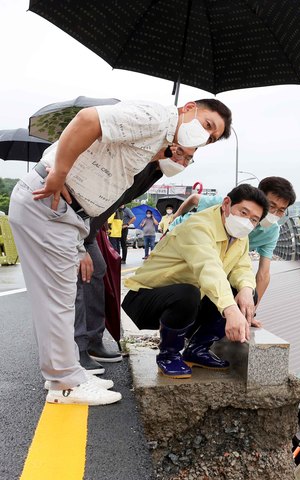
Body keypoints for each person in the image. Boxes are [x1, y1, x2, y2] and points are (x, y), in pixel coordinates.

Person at [9, 98, 232, 405]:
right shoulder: (157, 116)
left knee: (58, 299)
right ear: (189, 108)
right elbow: (88, 119)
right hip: (53, 202)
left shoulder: (160, 136)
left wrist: (167, 151)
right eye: (207, 125)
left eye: (210, 138)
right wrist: (59, 173)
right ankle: (64, 382)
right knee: (58, 300)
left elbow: (119, 158)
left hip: (66, 213)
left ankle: (67, 373)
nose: (204, 137)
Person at [122, 184, 268, 378]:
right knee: (189, 293)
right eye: (243, 212)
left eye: (253, 220)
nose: (246, 222)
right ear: (226, 204)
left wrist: (247, 290)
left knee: (244, 291)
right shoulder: (198, 226)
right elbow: (209, 269)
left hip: (189, 301)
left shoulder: (240, 236)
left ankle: (198, 349)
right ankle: (169, 354)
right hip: (147, 298)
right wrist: (231, 310)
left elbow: (241, 267)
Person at [75, 145, 195, 374]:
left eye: (190, 159)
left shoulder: (154, 171)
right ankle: (76, 349)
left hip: (89, 230)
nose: (183, 162)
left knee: (97, 270)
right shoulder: (136, 161)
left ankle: (92, 341)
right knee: (81, 276)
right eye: (182, 154)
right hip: (75, 227)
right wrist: (78, 246)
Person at [169, 177, 296, 307]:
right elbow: (194, 199)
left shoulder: (271, 232)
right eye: (271, 206)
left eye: (281, 210)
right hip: (185, 243)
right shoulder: (230, 205)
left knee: (243, 291)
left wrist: (251, 310)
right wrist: (175, 217)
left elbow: (263, 273)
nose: (274, 213)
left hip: (220, 257)